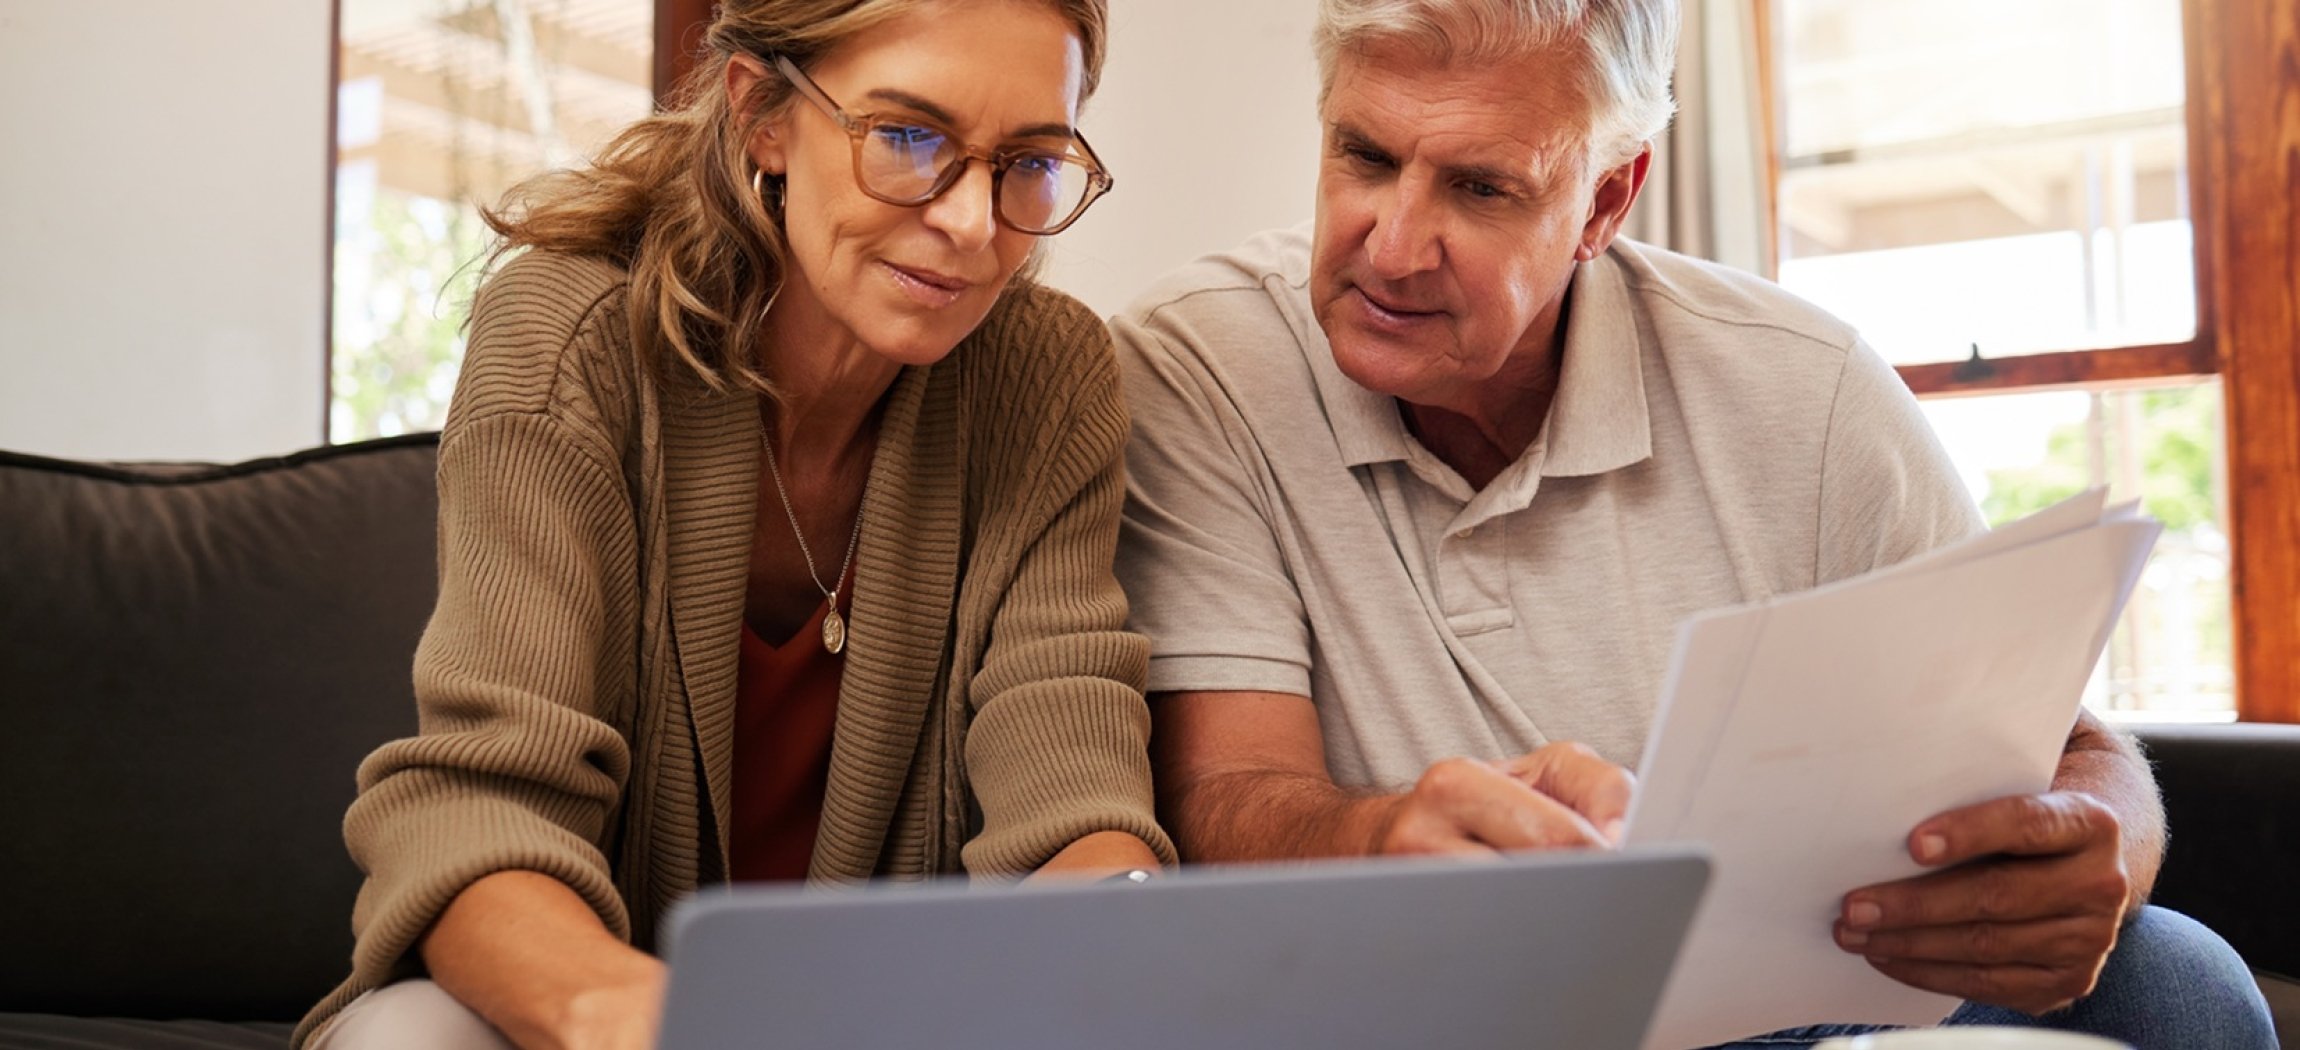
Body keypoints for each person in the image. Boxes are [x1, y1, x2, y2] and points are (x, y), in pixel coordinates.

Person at [1110, 1, 2273, 1046]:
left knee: (2179, 985)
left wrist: (2103, 851)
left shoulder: (1801, 387)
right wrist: (1385, 848)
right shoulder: (1200, 364)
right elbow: (1221, 797)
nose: (1393, 244)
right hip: (1421, 991)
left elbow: (2073, 747)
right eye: (1362, 157)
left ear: (1603, 202)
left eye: (1479, 187)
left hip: (1787, 992)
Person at [297, 2, 1170, 1047]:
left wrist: (1120, 926)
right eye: (906, 137)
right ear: (761, 114)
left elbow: (1070, 792)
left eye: (1027, 161)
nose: (974, 226)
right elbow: (482, 814)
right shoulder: (569, 335)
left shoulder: (1049, 377)